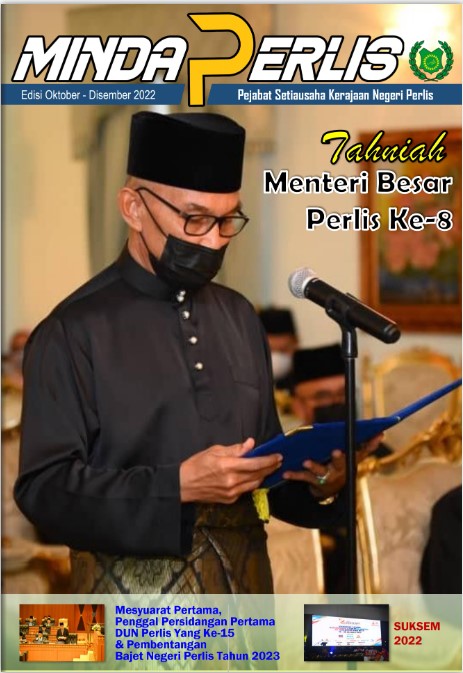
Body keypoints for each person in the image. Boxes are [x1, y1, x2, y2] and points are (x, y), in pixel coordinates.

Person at [14, 111, 380, 594]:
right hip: (129, 610)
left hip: (246, 599)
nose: (213, 240)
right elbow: (43, 491)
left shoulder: (239, 316)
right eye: (195, 218)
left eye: (228, 220)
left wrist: (319, 482)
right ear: (133, 207)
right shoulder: (72, 331)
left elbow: (265, 475)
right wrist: (177, 486)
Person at [258, 307, 299, 391]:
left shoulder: (307, 380)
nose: (276, 357)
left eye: (283, 350)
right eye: (270, 351)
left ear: (296, 343)